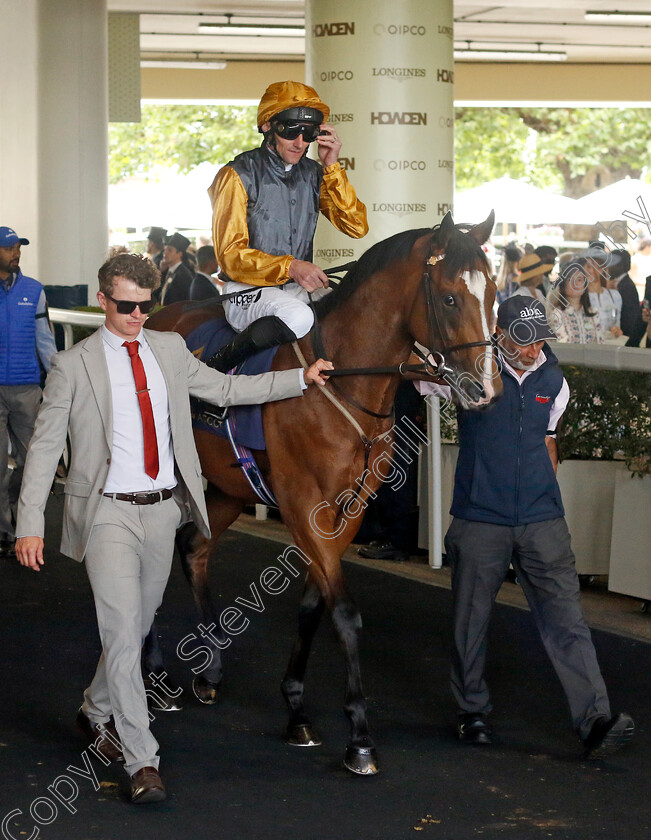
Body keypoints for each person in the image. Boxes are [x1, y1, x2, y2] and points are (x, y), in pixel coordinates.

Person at [14, 253, 332, 804]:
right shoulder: (73, 366)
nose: (137, 315)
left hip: (163, 511)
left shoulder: (169, 348)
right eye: (125, 306)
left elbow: (226, 391)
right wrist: (28, 525)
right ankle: (142, 760)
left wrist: (297, 379)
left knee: (134, 626)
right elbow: (42, 450)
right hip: (107, 511)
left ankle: (94, 708)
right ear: (103, 299)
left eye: (145, 306)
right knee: (121, 630)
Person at [419, 298, 634, 759]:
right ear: (498, 332)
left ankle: (594, 720)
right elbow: (416, 374)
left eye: (539, 339)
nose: (534, 349)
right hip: (479, 520)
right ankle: (471, 712)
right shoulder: (470, 373)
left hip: (542, 523)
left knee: (568, 622)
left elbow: (547, 443)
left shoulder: (556, 382)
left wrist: (544, 502)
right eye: (523, 338)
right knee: (469, 622)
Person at [207, 80, 368, 371]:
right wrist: (292, 266)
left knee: (359, 311)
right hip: (245, 291)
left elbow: (356, 226)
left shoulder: (315, 174)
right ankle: (215, 371)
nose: (300, 142)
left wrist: (332, 166)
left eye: (309, 133)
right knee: (299, 317)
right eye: (290, 131)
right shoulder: (235, 175)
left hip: (297, 288)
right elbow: (230, 257)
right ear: (268, 125)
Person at [0, 226, 58, 556]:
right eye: (8, 248)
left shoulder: (34, 290)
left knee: (33, 462)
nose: (15, 253)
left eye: (18, 247)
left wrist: (59, 383)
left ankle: (20, 520)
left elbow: (46, 341)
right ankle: (4, 533)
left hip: (26, 389)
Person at [547, 261, 603, 344]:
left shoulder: (593, 313)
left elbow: (600, 344)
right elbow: (562, 346)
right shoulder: (557, 315)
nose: (575, 284)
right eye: (570, 280)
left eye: (579, 280)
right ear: (563, 285)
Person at [608, 249, 646, 347]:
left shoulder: (627, 287)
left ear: (620, 265)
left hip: (623, 338)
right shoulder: (620, 284)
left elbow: (629, 318)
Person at [158, 232, 194, 305]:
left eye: (170, 250)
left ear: (179, 254)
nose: (165, 253)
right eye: (165, 250)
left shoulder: (183, 275)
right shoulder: (169, 271)